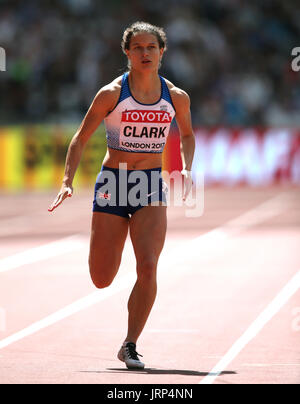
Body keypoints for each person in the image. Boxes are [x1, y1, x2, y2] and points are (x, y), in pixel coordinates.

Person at [48, 21, 195, 369]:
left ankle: (130, 343)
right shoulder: (111, 94)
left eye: (152, 48)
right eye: (138, 48)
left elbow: (187, 135)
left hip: (149, 185)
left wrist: (186, 167)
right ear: (127, 53)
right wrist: (68, 180)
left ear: (161, 53)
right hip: (113, 182)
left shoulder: (176, 97)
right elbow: (80, 138)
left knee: (148, 265)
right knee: (102, 278)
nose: (145, 53)